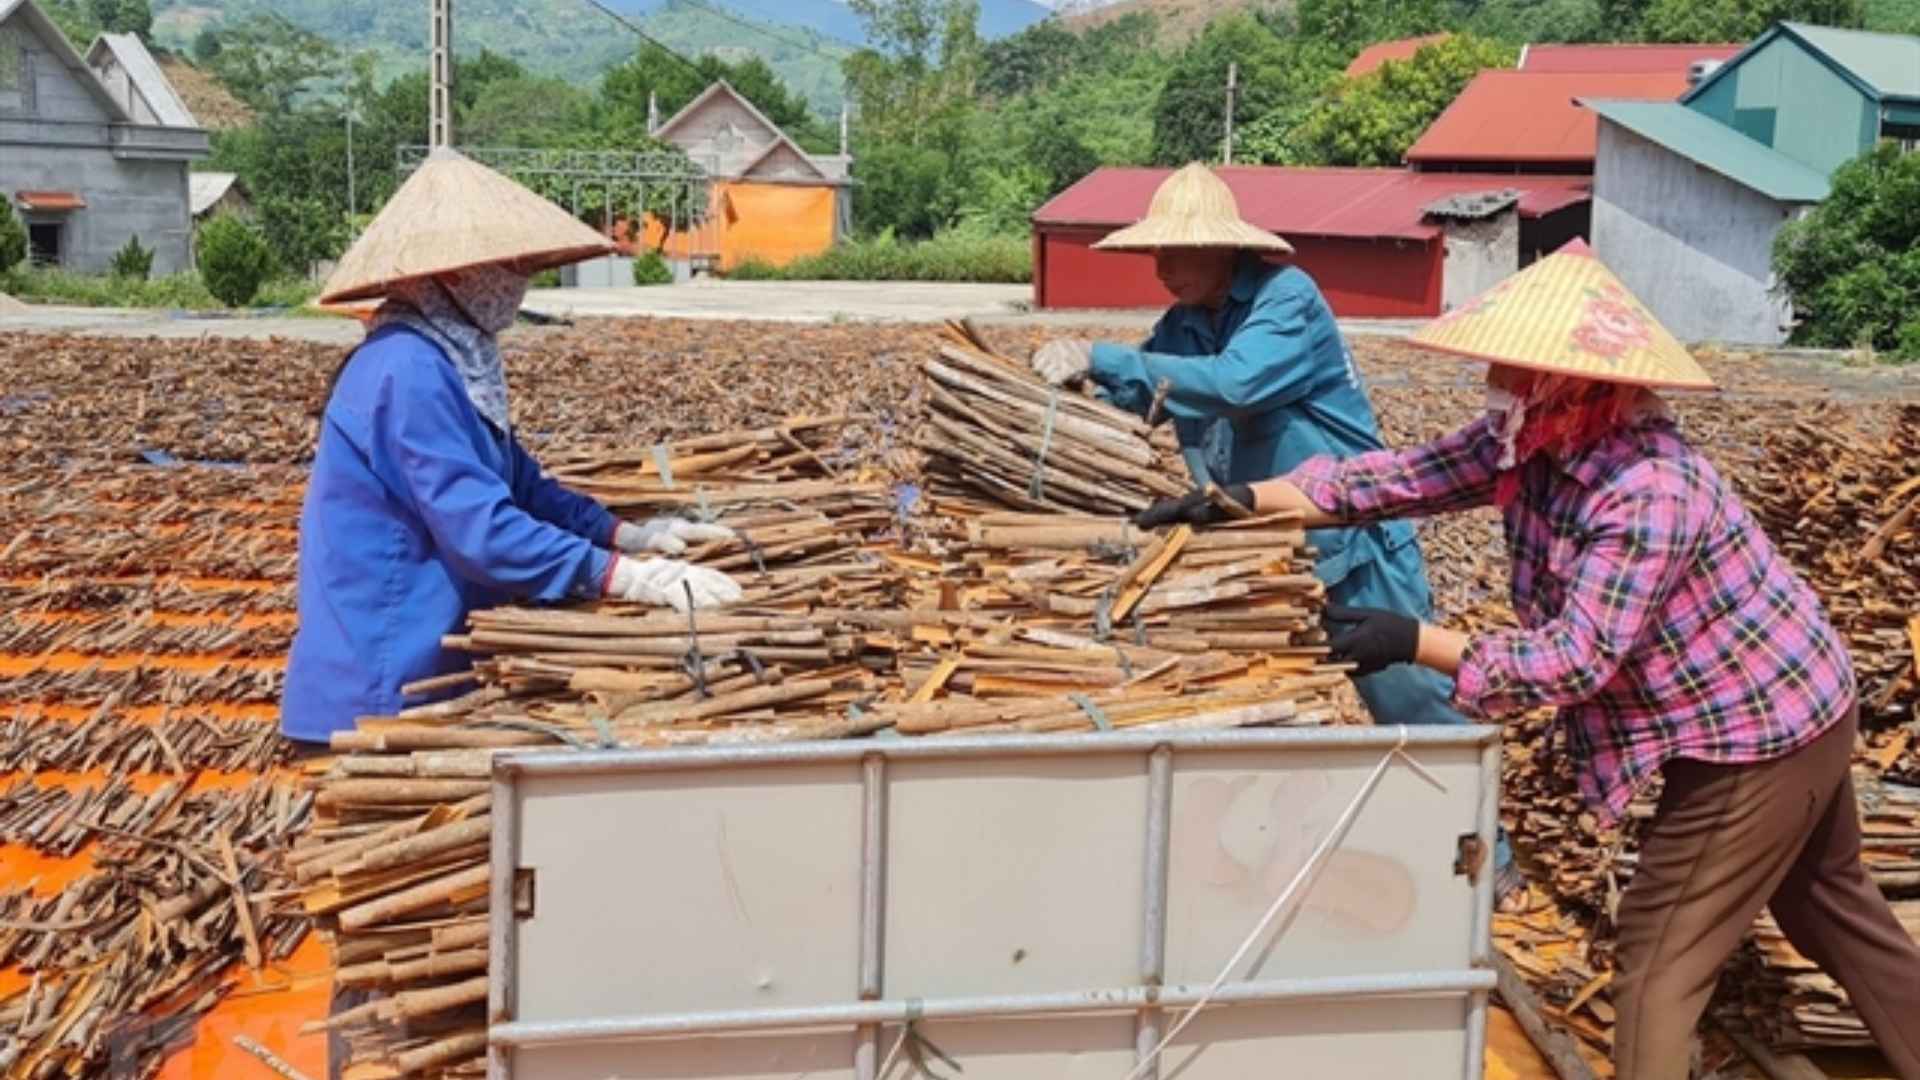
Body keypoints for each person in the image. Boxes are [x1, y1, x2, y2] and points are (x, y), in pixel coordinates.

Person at [1232, 240, 1920, 1080]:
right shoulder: (1531, 440)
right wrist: (1246, 501)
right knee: (1829, 906)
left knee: (1660, 960)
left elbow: (1575, 659)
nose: (1496, 382)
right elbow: (1402, 477)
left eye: (1513, 371)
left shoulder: (1646, 491)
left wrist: (1411, 640)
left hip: (1758, 731)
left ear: (1570, 383)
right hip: (1795, 699)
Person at [1042, 163, 1519, 903]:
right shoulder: (1183, 325)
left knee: (1409, 704)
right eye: (1155, 254)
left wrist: (1101, 353)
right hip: (1257, 556)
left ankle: (1494, 868)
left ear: (1226, 251)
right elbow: (1150, 395)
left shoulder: (1285, 299)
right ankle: (1267, 863)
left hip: (1349, 544)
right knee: (1258, 707)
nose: (1162, 269)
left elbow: (1237, 383)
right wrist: (1081, 391)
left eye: (1178, 252)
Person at [282, 148, 743, 752]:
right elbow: (483, 532)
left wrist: (626, 536)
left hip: (429, 668)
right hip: (384, 688)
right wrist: (625, 578)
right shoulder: (407, 370)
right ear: (447, 275)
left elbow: (522, 486)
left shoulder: (450, 360)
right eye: (503, 265)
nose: (517, 281)